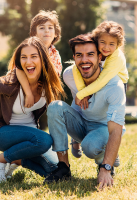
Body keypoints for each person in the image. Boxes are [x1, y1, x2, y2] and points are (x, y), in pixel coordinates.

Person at [0, 10, 63, 173]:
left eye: (50, 28)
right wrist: (28, 91)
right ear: (33, 33)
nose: (46, 31)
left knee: (52, 168)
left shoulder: (54, 55)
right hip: (14, 95)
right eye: (42, 28)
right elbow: (18, 69)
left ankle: (15, 160)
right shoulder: (27, 50)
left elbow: (53, 79)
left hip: (29, 108)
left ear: (56, 33)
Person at [44, 34, 126, 190]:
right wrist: (75, 141)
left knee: (90, 147)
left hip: (104, 128)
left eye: (90, 54)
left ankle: (105, 159)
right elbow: (77, 103)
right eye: (79, 55)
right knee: (55, 106)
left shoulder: (114, 85)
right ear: (74, 57)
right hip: (82, 124)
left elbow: (116, 129)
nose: (84, 60)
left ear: (100, 56)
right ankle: (63, 167)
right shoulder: (69, 75)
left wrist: (106, 168)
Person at [70, 21, 129, 162]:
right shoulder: (95, 48)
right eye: (102, 42)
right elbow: (74, 69)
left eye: (111, 44)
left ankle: (110, 148)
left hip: (114, 84)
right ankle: (75, 139)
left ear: (118, 45)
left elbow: (103, 81)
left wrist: (81, 94)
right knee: (78, 108)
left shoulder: (116, 58)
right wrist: (82, 91)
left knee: (110, 118)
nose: (106, 48)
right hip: (98, 81)